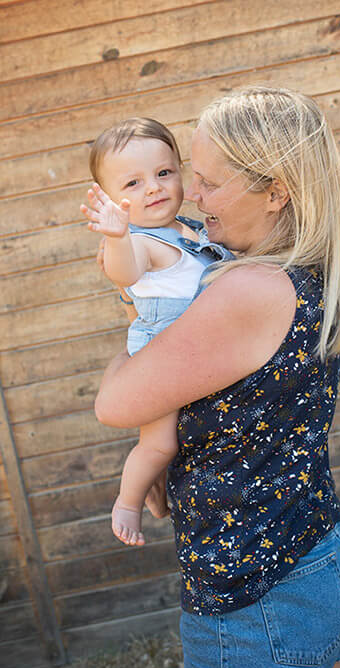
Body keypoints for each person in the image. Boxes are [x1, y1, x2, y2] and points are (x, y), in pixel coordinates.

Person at [89, 87, 340, 668]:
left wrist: (139, 324)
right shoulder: (307, 272)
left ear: (276, 191)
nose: (191, 194)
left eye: (210, 182)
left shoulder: (246, 291)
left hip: (256, 587)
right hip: (318, 550)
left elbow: (116, 403)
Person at [82, 118, 233, 548]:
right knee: (160, 442)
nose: (153, 187)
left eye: (164, 173)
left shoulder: (190, 229)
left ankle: (157, 486)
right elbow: (124, 271)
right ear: (112, 200)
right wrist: (116, 237)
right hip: (162, 355)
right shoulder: (140, 242)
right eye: (133, 183)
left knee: (182, 437)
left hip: (197, 349)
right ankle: (128, 502)